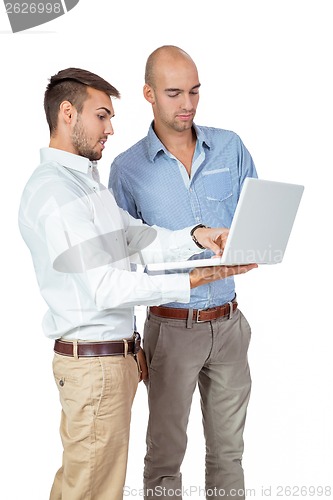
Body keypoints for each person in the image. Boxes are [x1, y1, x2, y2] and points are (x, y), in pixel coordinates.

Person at [18, 67, 256, 500]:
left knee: (99, 486)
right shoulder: (57, 194)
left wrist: (198, 235)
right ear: (68, 114)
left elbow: (135, 236)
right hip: (95, 365)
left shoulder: (83, 184)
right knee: (91, 489)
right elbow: (104, 287)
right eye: (103, 116)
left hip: (114, 362)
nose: (111, 128)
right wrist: (189, 282)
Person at [109, 46, 258, 500]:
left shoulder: (230, 146)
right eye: (174, 93)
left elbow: (256, 220)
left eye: (194, 91)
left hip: (230, 325)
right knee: (165, 457)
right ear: (149, 94)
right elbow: (120, 263)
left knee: (229, 453)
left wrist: (255, 245)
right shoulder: (127, 169)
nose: (187, 104)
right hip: (170, 329)